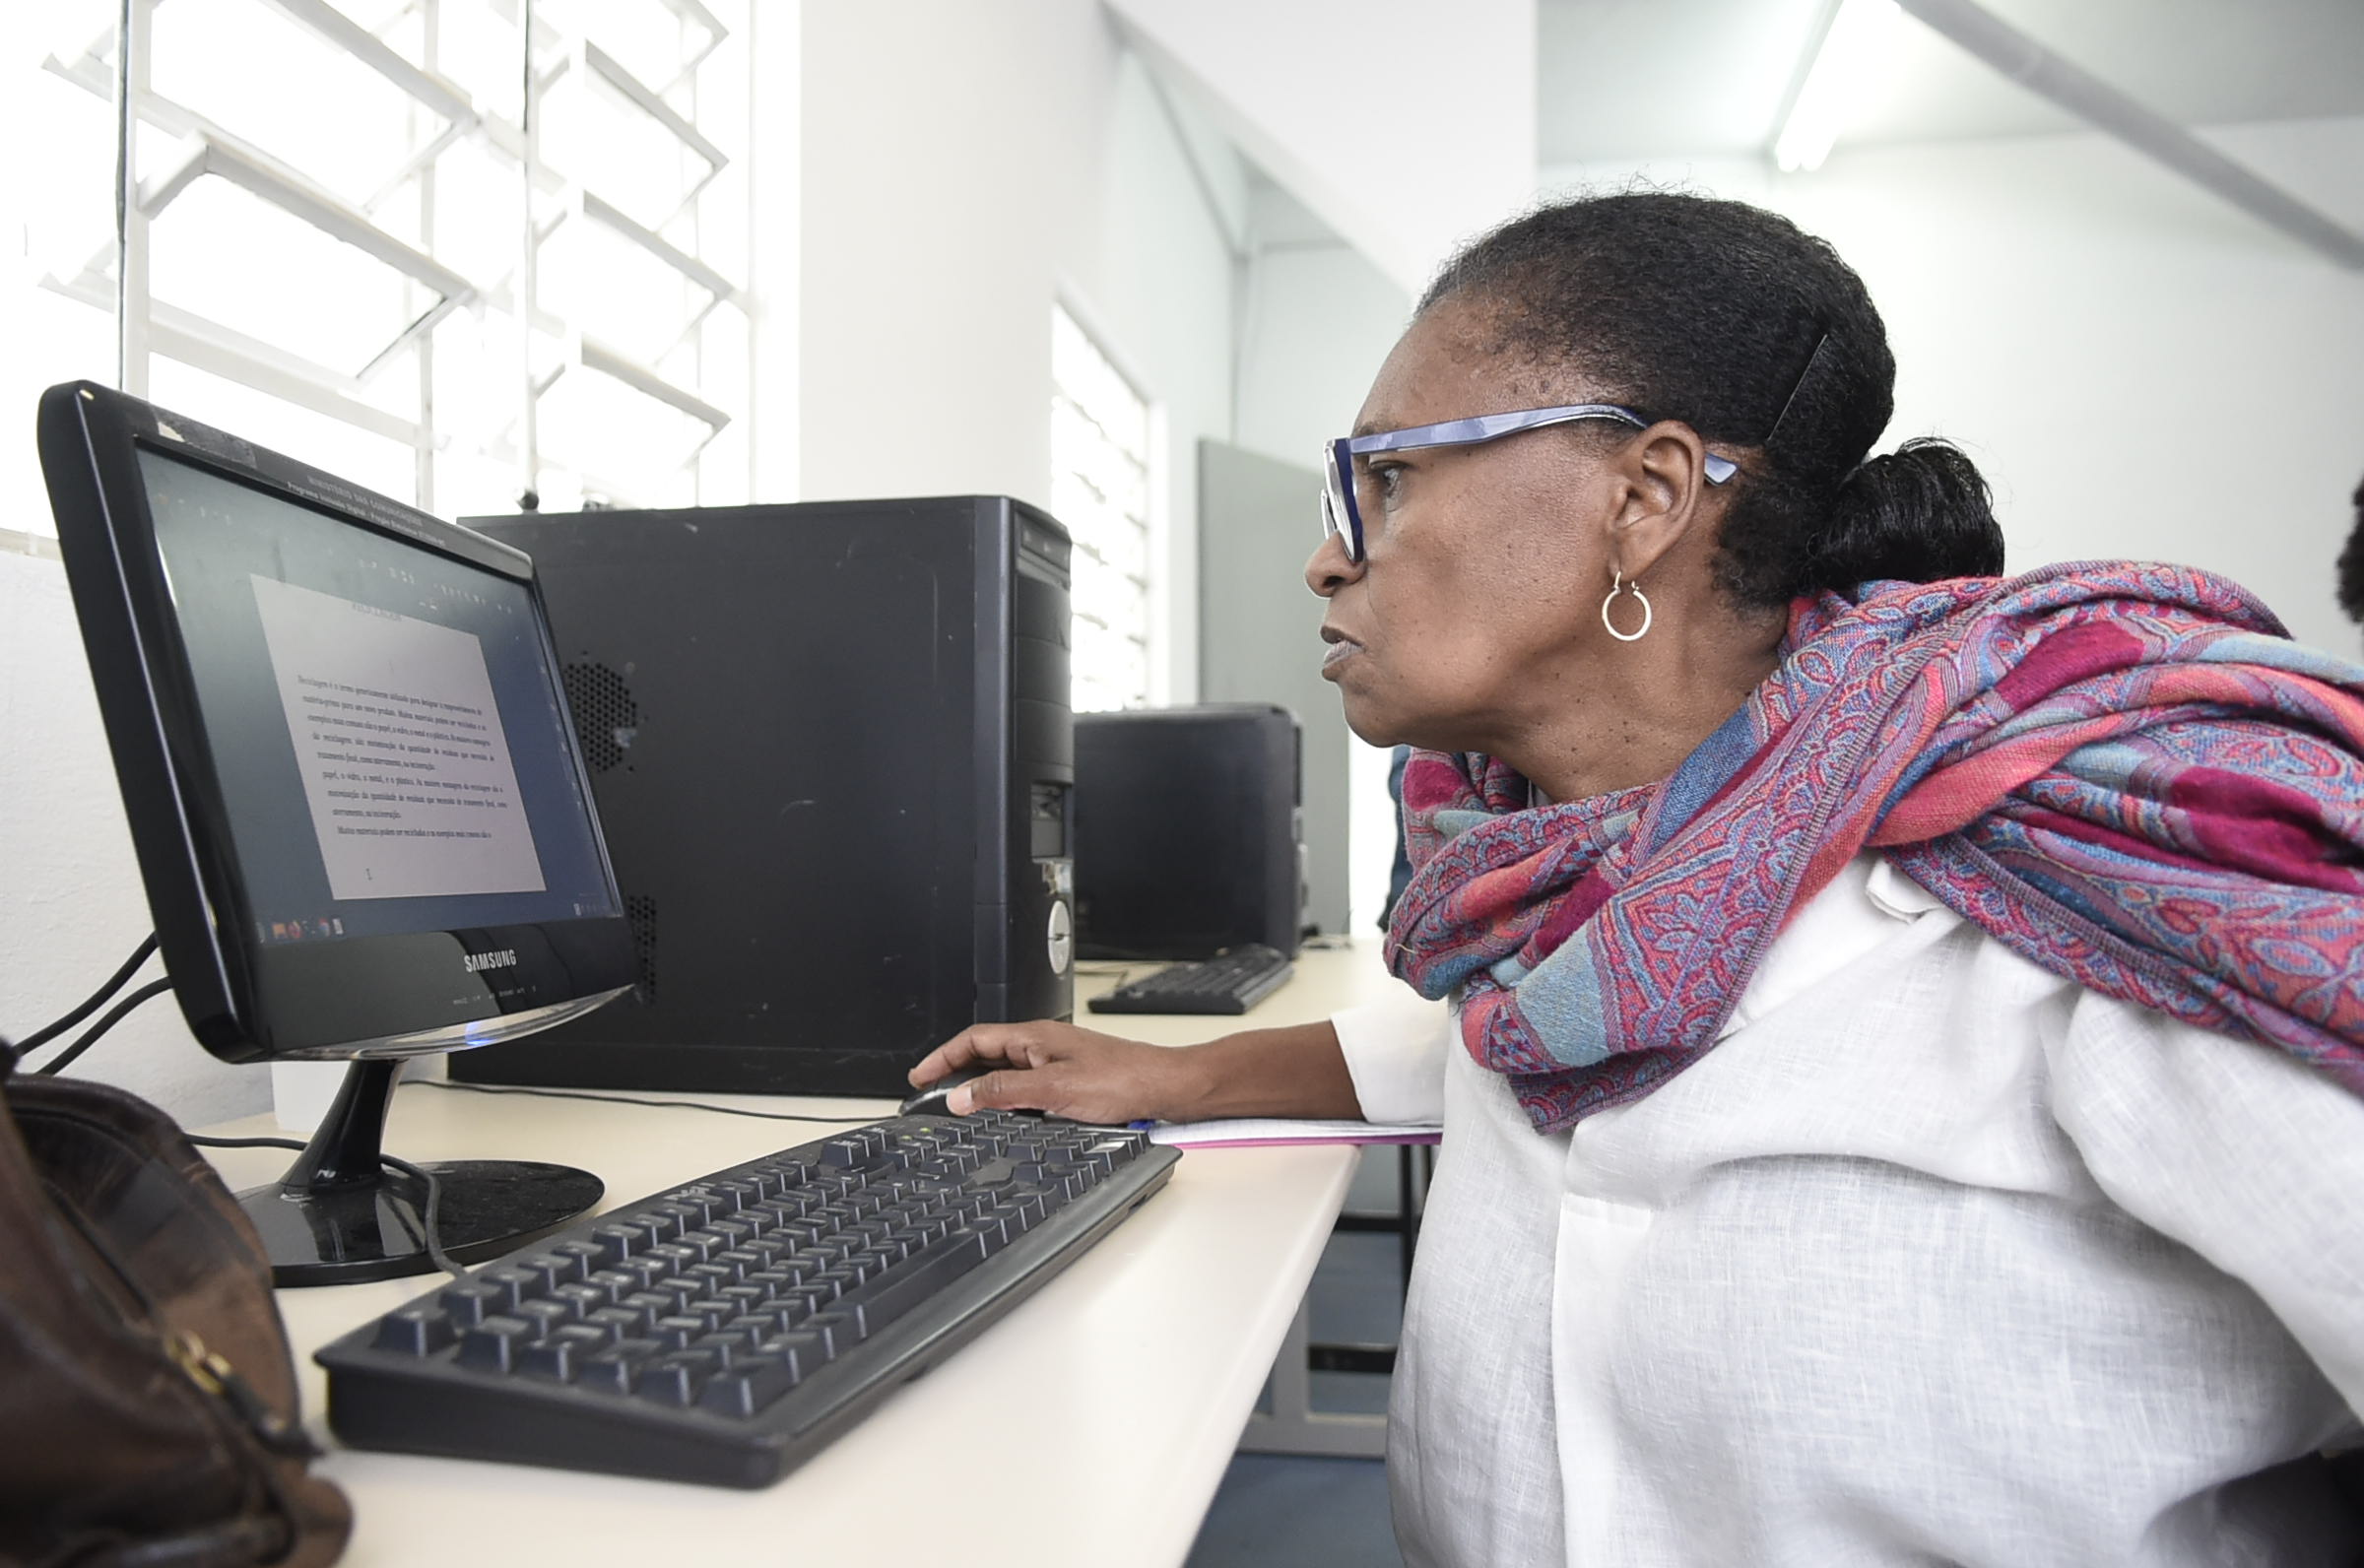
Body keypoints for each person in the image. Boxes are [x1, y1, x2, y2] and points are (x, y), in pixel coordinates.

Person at [910, 193, 2364, 1566]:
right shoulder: (1541, 900)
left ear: (1645, 496)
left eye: (1390, 480)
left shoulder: (2093, 916)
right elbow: (1489, 1039)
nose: (1324, 558)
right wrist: (1177, 1079)